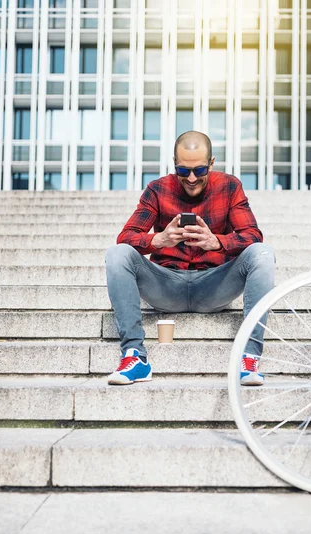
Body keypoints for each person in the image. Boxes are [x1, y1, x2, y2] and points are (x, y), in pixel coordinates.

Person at [105, 131, 275, 386]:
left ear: (212, 163)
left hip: (214, 285)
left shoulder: (229, 186)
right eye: (183, 171)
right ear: (174, 165)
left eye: (199, 170)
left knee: (263, 253)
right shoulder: (158, 189)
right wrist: (158, 240)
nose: (192, 178)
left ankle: (248, 356)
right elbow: (125, 237)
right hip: (165, 285)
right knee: (118, 254)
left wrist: (217, 242)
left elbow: (252, 236)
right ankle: (135, 356)